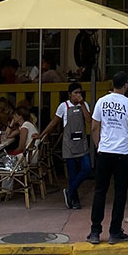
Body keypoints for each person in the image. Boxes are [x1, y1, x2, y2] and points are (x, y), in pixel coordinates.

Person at [88, 71, 128, 246]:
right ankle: (114, 231)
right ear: (125, 84)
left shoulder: (101, 102)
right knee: (120, 193)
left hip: (104, 151)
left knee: (100, 191)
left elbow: (95, 127)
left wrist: (98, 145)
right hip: (122, 153)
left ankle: (95, 231)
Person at [39, 82, 93, 210]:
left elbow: (88, 119)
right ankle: (74, 198)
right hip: (69, 143)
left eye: (80, 92)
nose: (78, 95)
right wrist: (42, 134)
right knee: (72, 172)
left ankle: (70, 191)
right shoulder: (63, 106)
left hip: (82, 142)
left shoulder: (84, 105)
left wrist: (82, 103)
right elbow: (54, 122)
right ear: (69, 94)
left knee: (86, 168)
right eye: (75, 93)